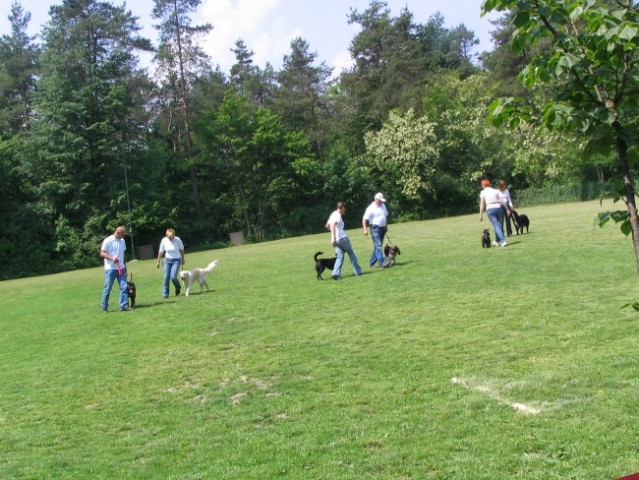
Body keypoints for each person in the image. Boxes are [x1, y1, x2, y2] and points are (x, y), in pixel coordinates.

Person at [326, 202, 362, 280]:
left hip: (336, 241)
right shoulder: (338, 215)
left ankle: (335, 273)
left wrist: (333, 235)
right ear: (342, 208)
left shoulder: (333, 214)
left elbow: (327, 225)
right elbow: (332, 224)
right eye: (344, 209)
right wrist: (333, 236)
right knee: (351, 253)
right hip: (342, 238)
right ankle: (358, 271)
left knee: (340, 256)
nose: (344, 211)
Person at [100, 225, 129, 312]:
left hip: (121, 268)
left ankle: (123, 306)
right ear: (118, 233)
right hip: (110, 269)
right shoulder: (108, 240)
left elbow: (123, 256)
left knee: (124, 286)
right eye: (123, 234)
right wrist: (112, 258)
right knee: (108, 288)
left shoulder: (122, 241)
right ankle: (104, 306)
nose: (124, 236)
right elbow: (102, 253)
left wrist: (125, 268)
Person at [156, 228, 185, 298]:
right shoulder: (164, 240)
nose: (171, 239)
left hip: (177, 260)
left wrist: (183, 259)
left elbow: (182, 249)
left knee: (173, 277)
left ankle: (178, 287)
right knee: (166, 277)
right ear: (166, 236)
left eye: (172, 237)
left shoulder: (177, 239)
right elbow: (161, 251)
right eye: (169, 238)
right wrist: (158, 261)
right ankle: (165, 294)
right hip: (167, 260)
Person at [362, 192, 389, 267]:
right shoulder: (371, 208)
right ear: (376, 200)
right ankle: (382, 262)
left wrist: (386, 226)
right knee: (378, 245)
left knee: (377, 246)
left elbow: (385, 216)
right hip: (375, 228)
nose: (381, 202)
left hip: (383, 228)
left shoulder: (383, 205)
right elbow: (364, 219)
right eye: (380, 201)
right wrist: (365, 229)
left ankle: (372, 263)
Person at [479, 178, 507, 247]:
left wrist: (480, 215)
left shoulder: (483, 192)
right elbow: (501, 200)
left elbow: (482, 204)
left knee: (496, 226)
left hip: (490, 209)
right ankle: (496, 241)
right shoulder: (495, 190)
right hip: (499, 208)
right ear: (489, 184)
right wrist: (507, 209)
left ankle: (503, 241)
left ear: (483, 185)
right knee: (499, 225)